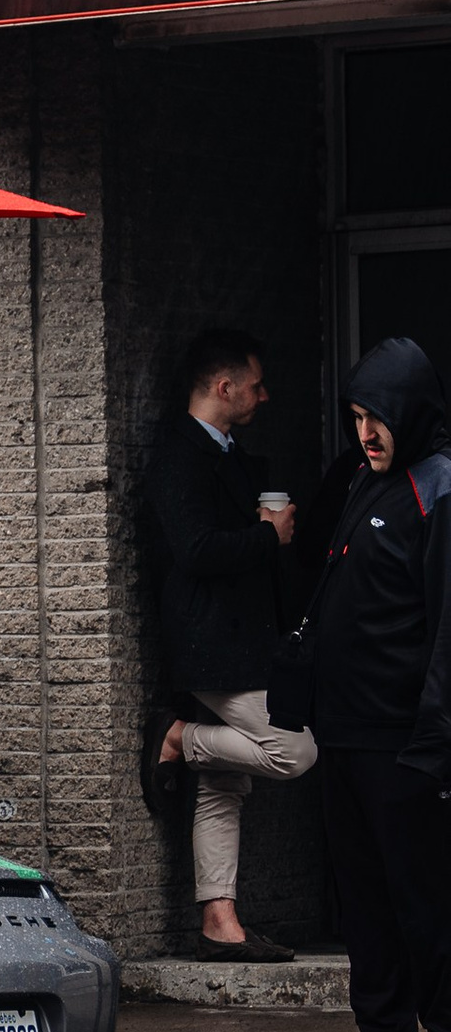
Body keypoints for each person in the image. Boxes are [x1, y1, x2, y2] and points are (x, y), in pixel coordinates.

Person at [292, 339, 451, 1032]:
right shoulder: (362, 481)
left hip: (407, 744)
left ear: (413, 415)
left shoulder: (439, 489)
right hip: (346, 735)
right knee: (365, 902)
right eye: (357, 418)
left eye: (379, 418)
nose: (367, 433)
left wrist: (436, 739)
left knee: (426, 901)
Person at [144, 326, 313, 963]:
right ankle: (177, 738)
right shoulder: (178, 456)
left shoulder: (229, 452)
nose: (264, 396)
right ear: (223, 387)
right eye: (255, 385)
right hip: (213, 645)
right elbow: (194, 551)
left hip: (243, 638)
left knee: (223, 786)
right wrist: (268, 536)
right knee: (292, 750)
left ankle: (219, 920)